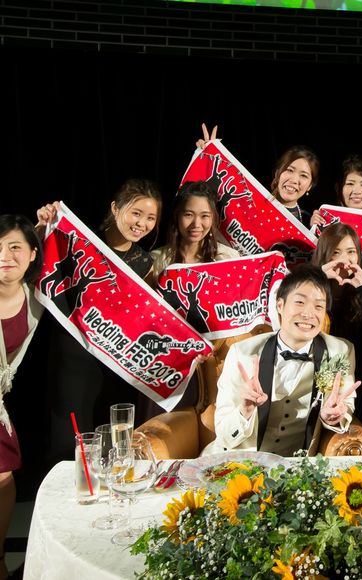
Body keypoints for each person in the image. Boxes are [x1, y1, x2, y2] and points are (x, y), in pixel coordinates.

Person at [38, 179, 163, 463]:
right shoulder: (80, 242)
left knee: (113, 448)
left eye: (150, 218)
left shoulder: (145, 263)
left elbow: (145, 320)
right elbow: (36, 264)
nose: (142, 223)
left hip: (115, 365)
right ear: (115, 208)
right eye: (136, 213)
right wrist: (42, 225)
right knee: (68, 447)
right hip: (72, 360)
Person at [201, 264, 360, 456]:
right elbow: (224, 435)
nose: (309, 314)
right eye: (300, 302)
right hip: (239, 459)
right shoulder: (242, 353)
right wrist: (245, 411)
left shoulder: (339, 351)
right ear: (280, 306)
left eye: (319, 306)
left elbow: (344, 405)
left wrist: (331, 417)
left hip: (298, 465)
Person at [138, 180, 240, 421]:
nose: (197, 224)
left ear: (213, 219)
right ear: (177, 216)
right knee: (166, 429)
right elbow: (145, 317)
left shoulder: (228, 259)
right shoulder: (156, 260)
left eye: (205, 216)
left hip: (214, 364)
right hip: (168, 365)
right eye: (188, 215)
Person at [311, 223, 362, 430]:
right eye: (335, 252)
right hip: (322, 370)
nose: (344, 259)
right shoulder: (311, 282)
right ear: (324, 255)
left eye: (350, 252)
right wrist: (319, 279)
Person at [0, 215, 43, 580]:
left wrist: (47, 224)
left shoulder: (35, 299)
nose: (5, 256)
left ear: (32, 254)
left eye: (15, 247)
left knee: (3, 476)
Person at [196, 123, 318, 228]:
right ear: (277, 173)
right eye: (290, 170)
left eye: (304, 176)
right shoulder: (247, 201)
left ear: (310, 186)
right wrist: (209, 155)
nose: (294, 180)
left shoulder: (308, 222)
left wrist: (316, 232)